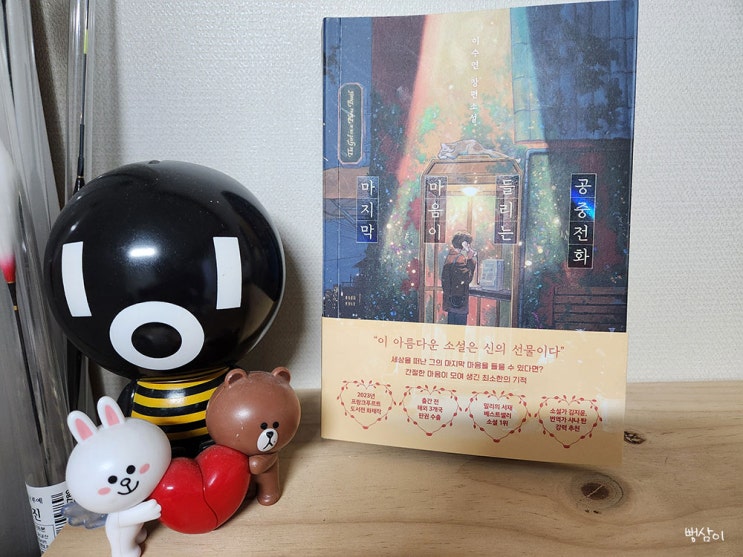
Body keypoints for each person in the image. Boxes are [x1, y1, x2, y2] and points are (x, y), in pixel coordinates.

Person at [441, 231, 477, 325]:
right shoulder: (459, 259)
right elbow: (467, 278)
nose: (469, 246)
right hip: (458, 303)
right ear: (463, 243)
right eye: (468, 243)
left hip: (451, 301)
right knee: (459, 329)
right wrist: (470, 259)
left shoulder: (451, 256)